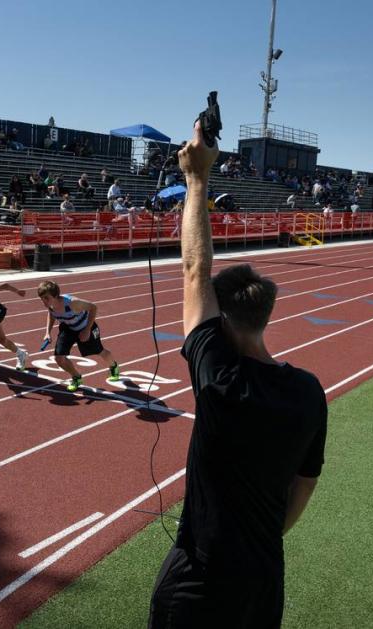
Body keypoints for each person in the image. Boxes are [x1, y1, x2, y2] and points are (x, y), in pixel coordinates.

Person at [148, 118, 327, 628]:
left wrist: (197, 179)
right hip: (263, 574)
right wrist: (264, 538)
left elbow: (192, 271)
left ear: (222, 321)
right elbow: (305, 485)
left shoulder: (220, 383)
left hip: (201, 574)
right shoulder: (308, 393)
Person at [37, 280, 120, 392]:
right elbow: (51, 314)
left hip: (85, 326)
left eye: (46, 298)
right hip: (68, 328)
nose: (44, 301)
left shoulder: (72, 303)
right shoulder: (50, 305)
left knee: (99, 351)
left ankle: (113, 366)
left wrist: (87, 330)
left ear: (56, 295)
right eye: (41, 298)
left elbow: (93, 308)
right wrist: (47, 332)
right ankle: (76, 377)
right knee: (59, 358)